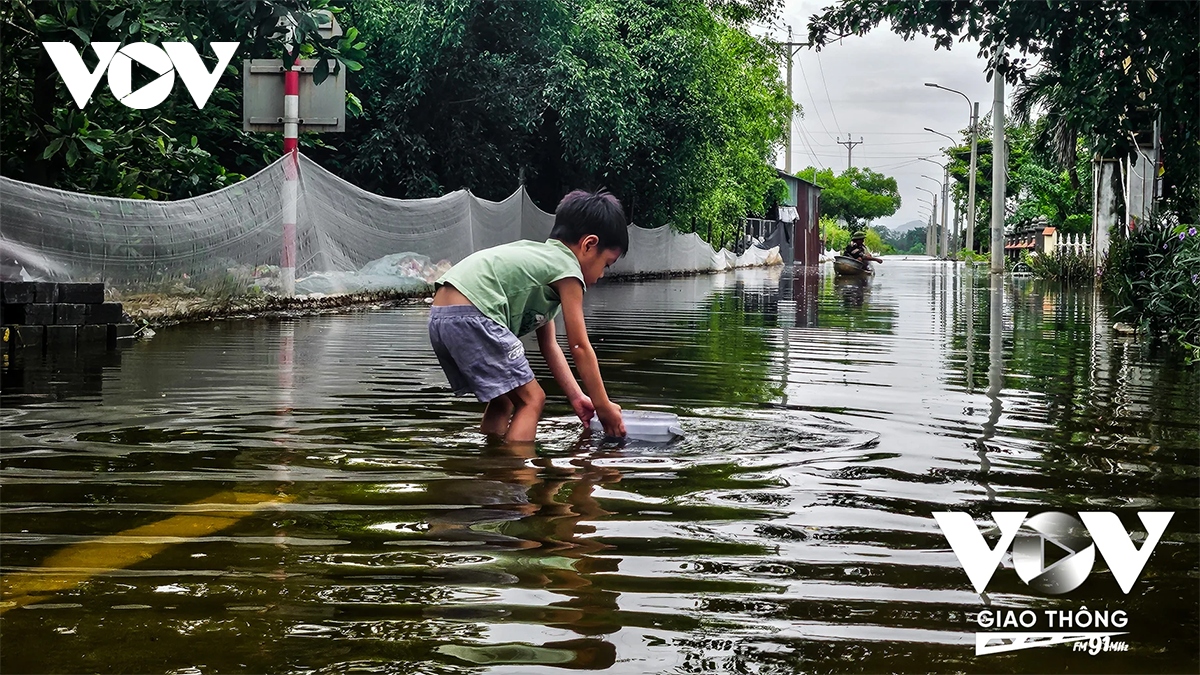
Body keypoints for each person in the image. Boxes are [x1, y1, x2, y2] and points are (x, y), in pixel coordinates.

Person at [428, 189, 628, 442]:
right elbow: (579, 345)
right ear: (589, 245)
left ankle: (490, 464)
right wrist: (603, 405)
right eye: (606, 265)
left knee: (505, 399)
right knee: (533, 399)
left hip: (441, 315)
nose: (601, 275)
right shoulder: (568, 272)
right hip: (473, 312)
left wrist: (578, 397)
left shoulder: (543, 262)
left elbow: (550, 345)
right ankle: (519, 475)